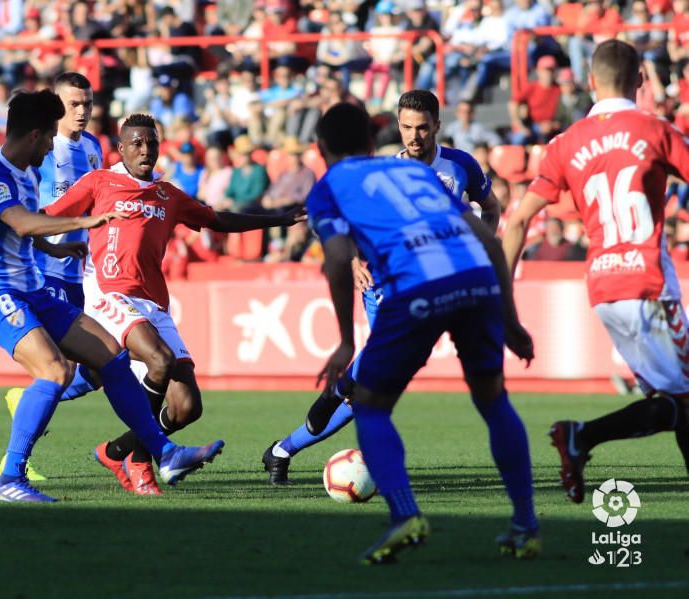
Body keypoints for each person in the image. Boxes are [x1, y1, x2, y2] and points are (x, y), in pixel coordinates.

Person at [0, 90, 224, 503]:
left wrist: (58, 249)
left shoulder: (26, 174)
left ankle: (165, 453)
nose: (52, 146)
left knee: (112, 357)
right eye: (48, 138)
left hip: (29, 286)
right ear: (33, 135)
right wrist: (87, 220)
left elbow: (20, 231)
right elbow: (24, 224)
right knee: (55, 371)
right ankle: (10, 478)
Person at [307, 102, 537, 563]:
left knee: (371, 405)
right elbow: (486, 236)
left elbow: (335, 259)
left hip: (414, 287)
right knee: (493, 401)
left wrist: (347, 341)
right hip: (475, 280)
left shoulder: (328, 188)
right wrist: (510, 319)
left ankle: (405, 515)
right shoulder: (417, 176)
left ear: (321, 148)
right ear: (374, 143)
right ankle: (525, 526)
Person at [45, 113, 305, 495]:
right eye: (136, 143)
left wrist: (275, 220)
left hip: (153, 302)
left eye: (151, 143)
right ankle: (143, 458)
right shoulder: (100, 182)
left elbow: (217, 219)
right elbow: (50, 215)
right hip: (108, 293)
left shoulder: (168, 194)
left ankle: (116, 451)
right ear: (121, 148)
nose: (145, 149)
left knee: (186, 407)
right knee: (160, 361)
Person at [262, 90, 502, 484]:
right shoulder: (386, 172)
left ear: (437, 127)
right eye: (407, 127)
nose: (414, 136)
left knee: (370, 389)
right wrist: (355, 260)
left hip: (439, 282)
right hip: (386, 282)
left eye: (422, 127)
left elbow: (490, 207)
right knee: (378, 379)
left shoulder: (461, 166)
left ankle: (284, 447)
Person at [503, 39, 689, 503]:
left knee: (676, 402)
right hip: (648, 281)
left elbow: (520, 220)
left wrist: (505, 310)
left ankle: (580, 438)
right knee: (684, 399)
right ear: (642, 80)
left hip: (604, 286)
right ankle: (580, 436)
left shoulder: (565, 143)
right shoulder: (655, 130)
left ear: (590, 82)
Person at [0, 72, 105, 482]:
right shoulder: (40, 148)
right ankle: (15, 464)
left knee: (95, 369)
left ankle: (21, 401)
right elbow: (14, 207)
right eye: (74, 104)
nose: (82, 111)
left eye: (87, 103)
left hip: (77, 272)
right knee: (56, 369)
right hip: (43, 272)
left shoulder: (94, 148)